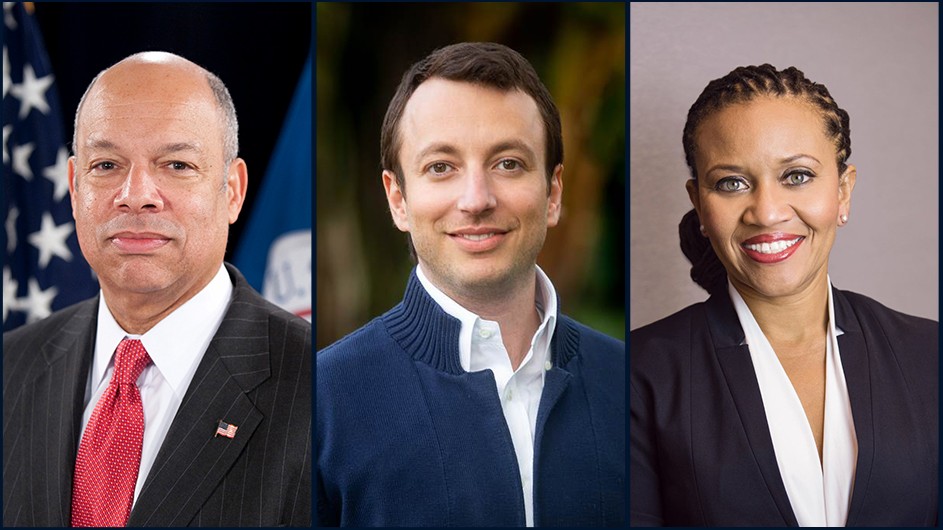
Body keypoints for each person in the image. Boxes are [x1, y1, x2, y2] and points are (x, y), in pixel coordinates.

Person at [316, 42, 625, 527]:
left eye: (508, 164)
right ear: (397, 199)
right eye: (441, 167)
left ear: (553, 193)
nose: (476, 199)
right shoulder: (320, 402)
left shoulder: (634, 388)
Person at [3, 52, 311, 527]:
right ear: (73, 187)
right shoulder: (11, 368)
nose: (136, 192)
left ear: (232, 190)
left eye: (176, 165)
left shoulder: (317, 388)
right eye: (106, 164)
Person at [630, 64, 938, 526]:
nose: (767, 212)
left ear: (844, 191)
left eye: (796, 175)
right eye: (731, 183)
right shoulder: (638, 373)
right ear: (699, 204)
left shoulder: (928, 355)